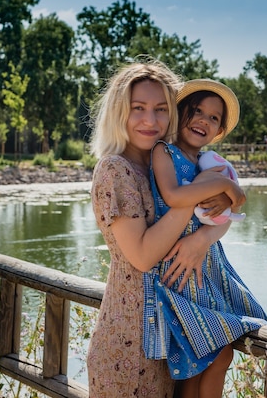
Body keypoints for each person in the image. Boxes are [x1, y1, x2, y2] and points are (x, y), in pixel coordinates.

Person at [86, 61, 235, 398]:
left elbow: (216, 216)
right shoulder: (115, 169)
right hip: (130, 336)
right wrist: (194, 190)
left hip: (170, 333)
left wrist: (204, 236)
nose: (150, 121)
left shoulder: (165, 162)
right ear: (119, 112)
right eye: (138, 108)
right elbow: (142, 256)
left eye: (160, 109)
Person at [145, 79, 267, 398]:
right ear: (180, 112)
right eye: (197, 111)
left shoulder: (213, 165)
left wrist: (231, 195)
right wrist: (226, 189)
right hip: (178, 269)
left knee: (211, 355)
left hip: (206, 267)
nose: (203, 119)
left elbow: (223, 217)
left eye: (213, 118)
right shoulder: (164, 152)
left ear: (218, 131)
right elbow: (174, 195)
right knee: (208, 355)